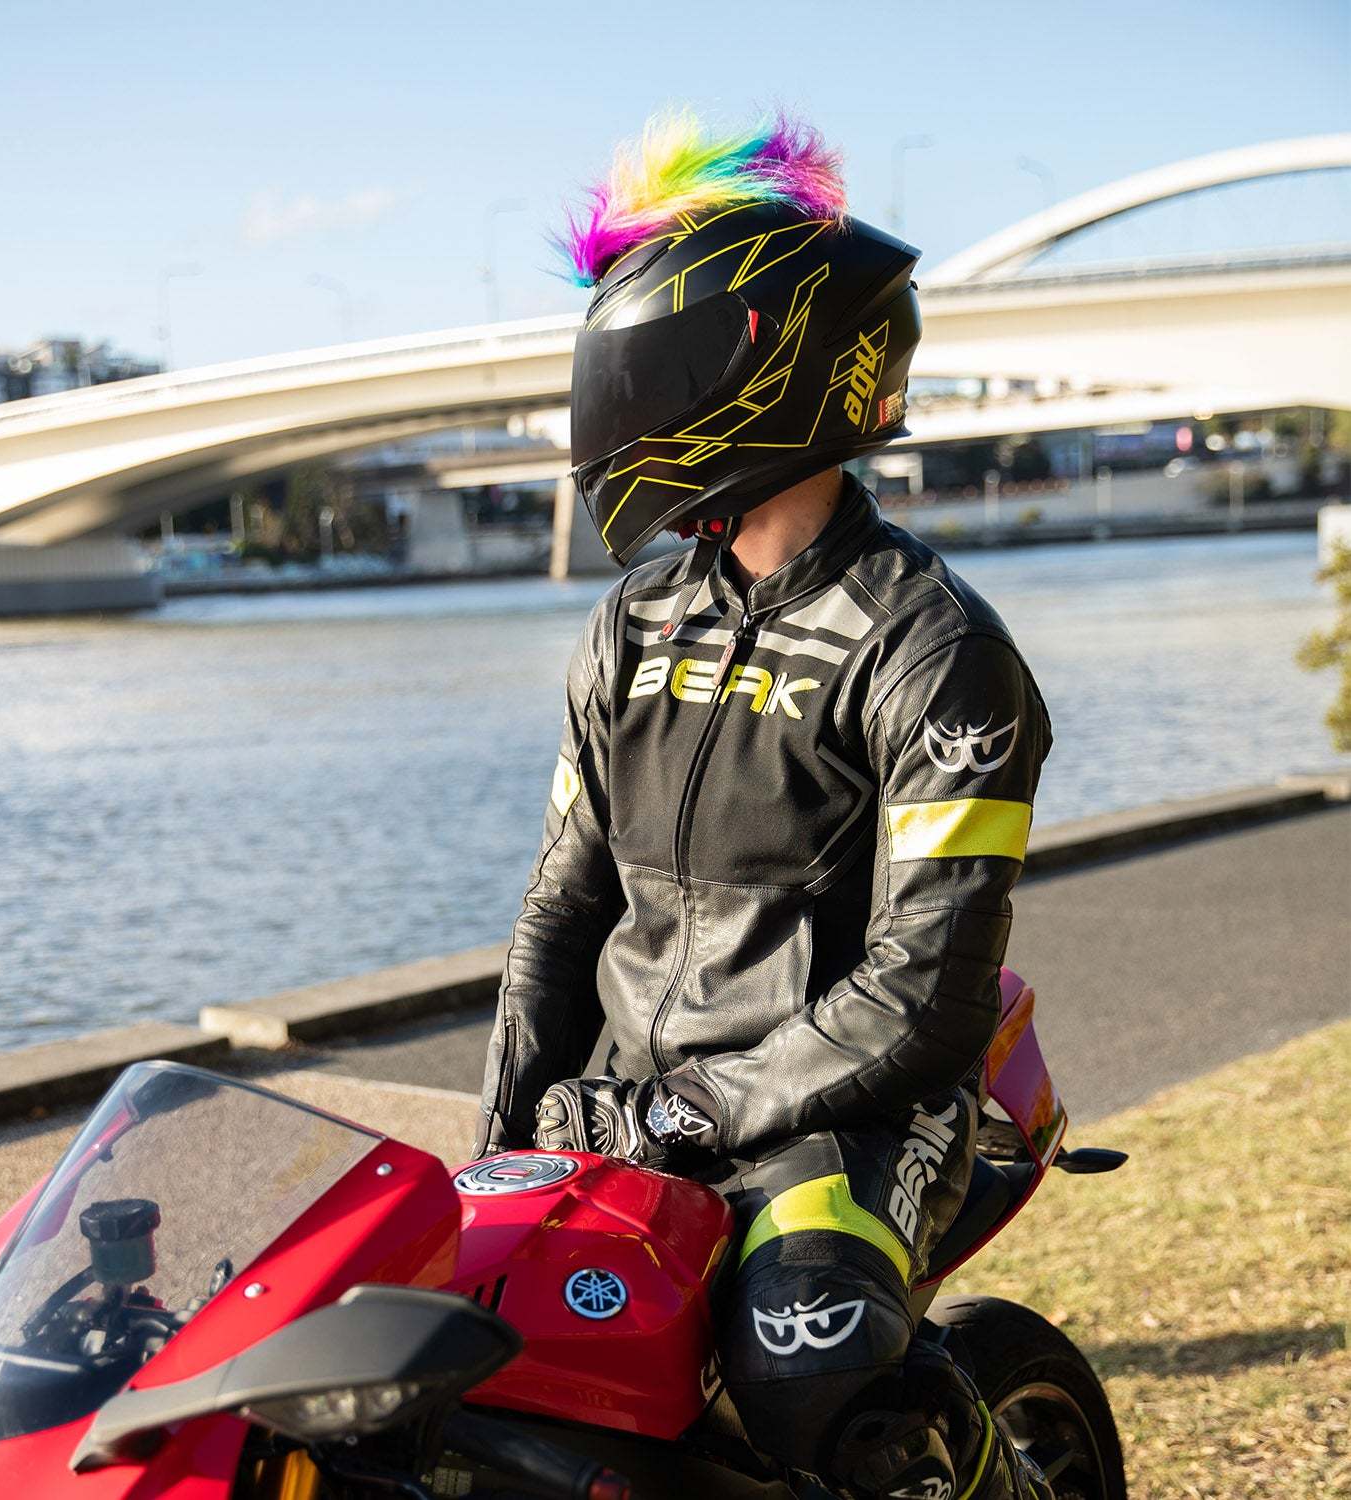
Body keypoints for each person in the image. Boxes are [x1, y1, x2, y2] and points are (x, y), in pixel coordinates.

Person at [474, 110, 1055, 1500]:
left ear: (763, 362)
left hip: (847, 1117)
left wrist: (681, 1117)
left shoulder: (935, 648)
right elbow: (567, 902)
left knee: (809, 1379)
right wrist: (494, 1155)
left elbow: (926, 992)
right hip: (622, 1106)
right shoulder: (630, 623)